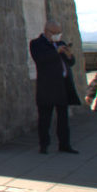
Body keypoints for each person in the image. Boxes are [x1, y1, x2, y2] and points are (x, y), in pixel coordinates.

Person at [29, 20, 81, 154]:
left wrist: (69, 54)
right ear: (47, 31)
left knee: (63, 118)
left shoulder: (60, 44)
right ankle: (44, 145)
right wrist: (56, 52)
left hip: (62, 86)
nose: (58, 35)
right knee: (45, 118)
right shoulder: (36, 44)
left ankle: (65, 144)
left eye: (59, 33)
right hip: (47, 87)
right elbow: (41, 60)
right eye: (55, 33)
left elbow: (70, 62)